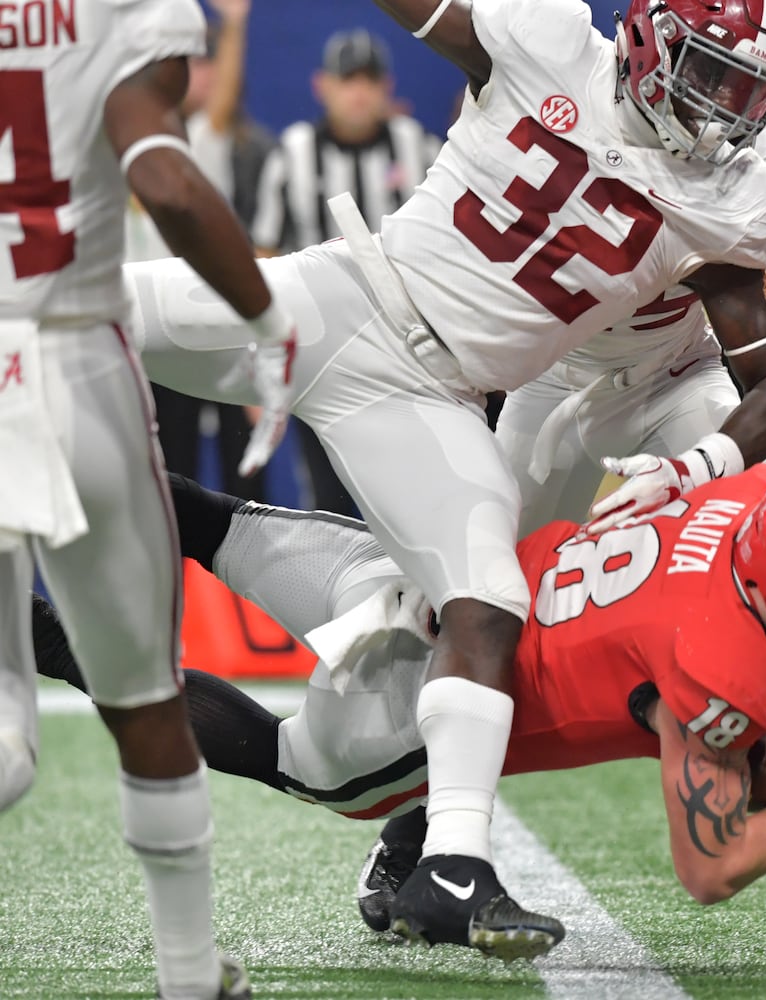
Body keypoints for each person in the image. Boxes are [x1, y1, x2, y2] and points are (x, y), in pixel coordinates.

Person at [120, 0, 766, 958]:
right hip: (547, 380)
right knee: (467, 612)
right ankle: (418, 826)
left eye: (749, 89)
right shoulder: (543, 45)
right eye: (709, 75)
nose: (724, 111)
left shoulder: (748, 169)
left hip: (679, 376)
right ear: (652, 44)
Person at [32, 467, 766, 935]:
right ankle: (34, 638)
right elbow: (711, 867)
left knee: (220, 525)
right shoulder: (715, 665)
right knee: (286, 759)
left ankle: (38, 457)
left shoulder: (754, 496)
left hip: (442, 578)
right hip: (416, 703)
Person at [0, 0, 297, 997]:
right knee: (144, 703)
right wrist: (265, 318)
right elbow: (166, 182)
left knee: (7, 731)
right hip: (71, 358)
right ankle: (184, 976)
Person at [127, 0, 289, 503]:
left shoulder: (196, 140)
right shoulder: (113, 146)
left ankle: (250, 582)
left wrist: (235, 27)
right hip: (148, 336)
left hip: (211, 326)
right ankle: (181, 578)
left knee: (245, 473)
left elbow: (219, 100)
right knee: (168, 472)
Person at [280, 28, 442, 516]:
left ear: (386, 88)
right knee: (331, 497)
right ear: (322, 86)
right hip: (321, 345)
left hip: (407, 346)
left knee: (415, 488)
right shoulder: (294, 153)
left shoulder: (420, 148)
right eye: (348, 80)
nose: (359, 92)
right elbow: (266, 252)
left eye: (369, 80)